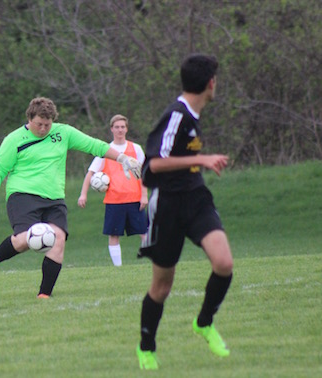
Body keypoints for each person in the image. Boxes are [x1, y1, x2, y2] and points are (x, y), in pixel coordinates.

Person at [0, 97, 141, 298]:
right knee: (23, 240)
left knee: (58, 239)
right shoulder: (14, 139)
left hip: (54, 198)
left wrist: (123, 158)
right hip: (22, 195)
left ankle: (44, 295)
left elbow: (94, 145)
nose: (44, 128)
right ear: (30, 118)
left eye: (47, 124)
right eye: (39, 124)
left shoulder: (63, 132)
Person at [135, 54, 233, 370]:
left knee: (223, 263)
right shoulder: (177, 115)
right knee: (162, 287)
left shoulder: (192, 115)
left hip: (195, 198)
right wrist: (201, 160)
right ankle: (146, 347)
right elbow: (153, 164)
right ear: (210, 84)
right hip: (167, 206)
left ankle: (204, 322)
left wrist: (198, 164)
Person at [78, 114, 148, 266]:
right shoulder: (106, 150)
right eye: (117, 127)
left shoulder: (136, 148)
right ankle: (118, 267)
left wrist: (144, 196)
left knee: (144, 232)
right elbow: (90, 173)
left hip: (135, 199)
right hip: (114, 200)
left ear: (127, 129)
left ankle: (150, 263)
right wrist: (83, 194)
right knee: (114, 235)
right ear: (111, 129)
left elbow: (144, 173)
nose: (120, 130)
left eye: (123, 127)